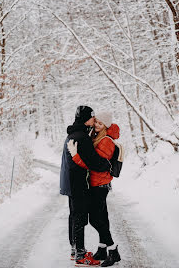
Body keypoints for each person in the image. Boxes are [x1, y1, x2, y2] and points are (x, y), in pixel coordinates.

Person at [67, 111, 121, 267]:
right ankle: (103, 248)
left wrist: (76, 156)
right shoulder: (97, 137)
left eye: (100, 123)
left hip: (99, 184)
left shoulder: (106, 141)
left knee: (95, 219)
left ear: (106, 125)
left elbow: (96, 165)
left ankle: (113, 251)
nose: (97, 125)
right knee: (102, 217)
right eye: (96, 122)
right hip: (97, 184)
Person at [60, 106, 111, 267]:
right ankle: (81, 256)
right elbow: (93, 161)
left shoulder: (73, 134)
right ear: (84, 119)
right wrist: (108, 165)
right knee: (80, 217)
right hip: (78, 183)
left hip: (70, 182)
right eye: (92, 117)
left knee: (74, 215)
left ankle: (75, 250)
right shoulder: (82, 137)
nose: (94, 120)